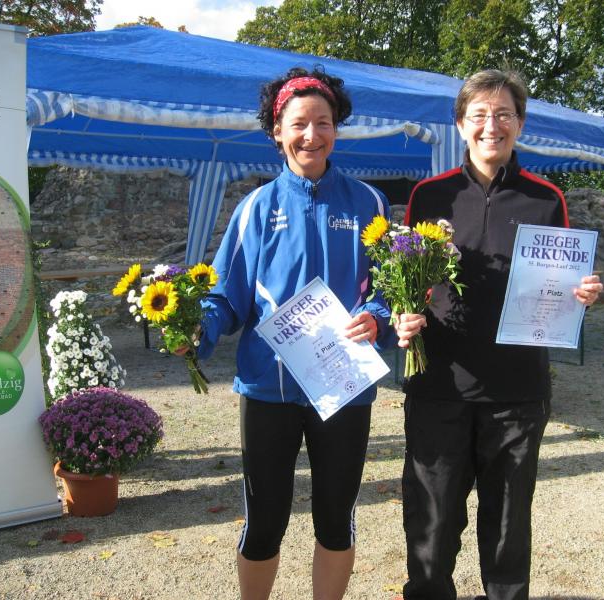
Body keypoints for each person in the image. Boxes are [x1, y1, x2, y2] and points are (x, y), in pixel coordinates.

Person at [394, 69, 604, 600]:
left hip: (517, 390)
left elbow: (561, 279)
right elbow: (407, 280)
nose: (493, 126)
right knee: (431, 521)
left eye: (504, 114)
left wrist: (581, 293)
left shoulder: (546, 198)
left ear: (520, 124)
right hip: (439, 385)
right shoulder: (429, 196)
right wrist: (401, 314)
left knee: (508, 525)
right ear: (460, 125)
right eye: (480, 115)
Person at [195, 67, 393, 600]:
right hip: (269, 389)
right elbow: (226, 296)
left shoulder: (370, 204)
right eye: (299, 123)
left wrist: (377, 317)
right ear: (277, 131)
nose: (312, 135)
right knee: (264, 523)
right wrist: (198, 326)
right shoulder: (255, 209)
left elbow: (388, 289)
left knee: (335, 520)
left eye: (323, 123)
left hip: (343, 385)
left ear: (336, 129)